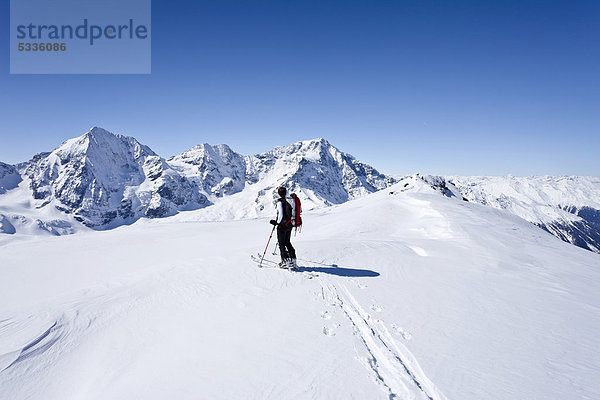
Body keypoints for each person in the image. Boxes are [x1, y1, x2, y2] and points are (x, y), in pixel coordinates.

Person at [270, 187, 297, 269]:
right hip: (290, 225)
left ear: (279, 193)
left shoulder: (280, 202)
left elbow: (280, 215)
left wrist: (276, 222)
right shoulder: (290, 201)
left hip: (282, 226)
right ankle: (293, 259)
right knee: (288, 242)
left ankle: (285, 261)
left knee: (281, 244)